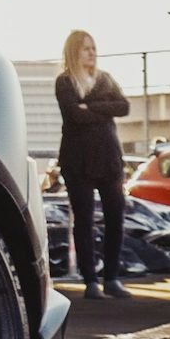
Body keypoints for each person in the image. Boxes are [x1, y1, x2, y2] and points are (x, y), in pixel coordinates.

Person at [55, 31, 132, 297]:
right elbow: (74, 115)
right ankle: (90, 281)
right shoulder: (64, 82)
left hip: (110, 161)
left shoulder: (105, 79)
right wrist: (100, 109)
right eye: (86, 49)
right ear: (74, 52)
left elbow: (123, 107)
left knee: (115, 219)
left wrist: (91, 107)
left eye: (94, 48)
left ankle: (112, 278)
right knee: (84, 221)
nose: (92, 53)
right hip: (78, 163)